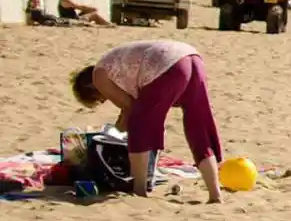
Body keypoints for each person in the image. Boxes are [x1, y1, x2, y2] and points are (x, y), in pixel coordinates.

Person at [69, 40, 224, 203]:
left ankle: (139, 189)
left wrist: (116, 131)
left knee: (139, 125)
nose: (104, 99)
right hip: (192, 57)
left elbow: (130, 108)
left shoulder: (99, 76)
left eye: (100, 99)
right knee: (199, 129)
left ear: (91, 89)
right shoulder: (118, 68)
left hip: (166, 64)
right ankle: (215, 194)